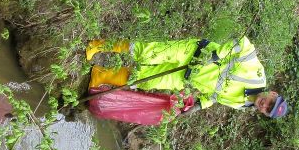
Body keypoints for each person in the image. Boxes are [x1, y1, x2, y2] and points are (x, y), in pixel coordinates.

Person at [86, 37, 288, 119]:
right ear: (273, 93)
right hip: (193, 54)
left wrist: (199, 106)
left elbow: (215, 96)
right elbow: (243, 44)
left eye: (267, 110)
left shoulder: (243, 105)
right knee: (145, 52)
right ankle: (98, 45)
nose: (264, 105)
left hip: (185, 77)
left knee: (145, 80)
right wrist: (215, 56)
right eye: (270, 102)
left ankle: (100, 75)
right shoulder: (256, 75)